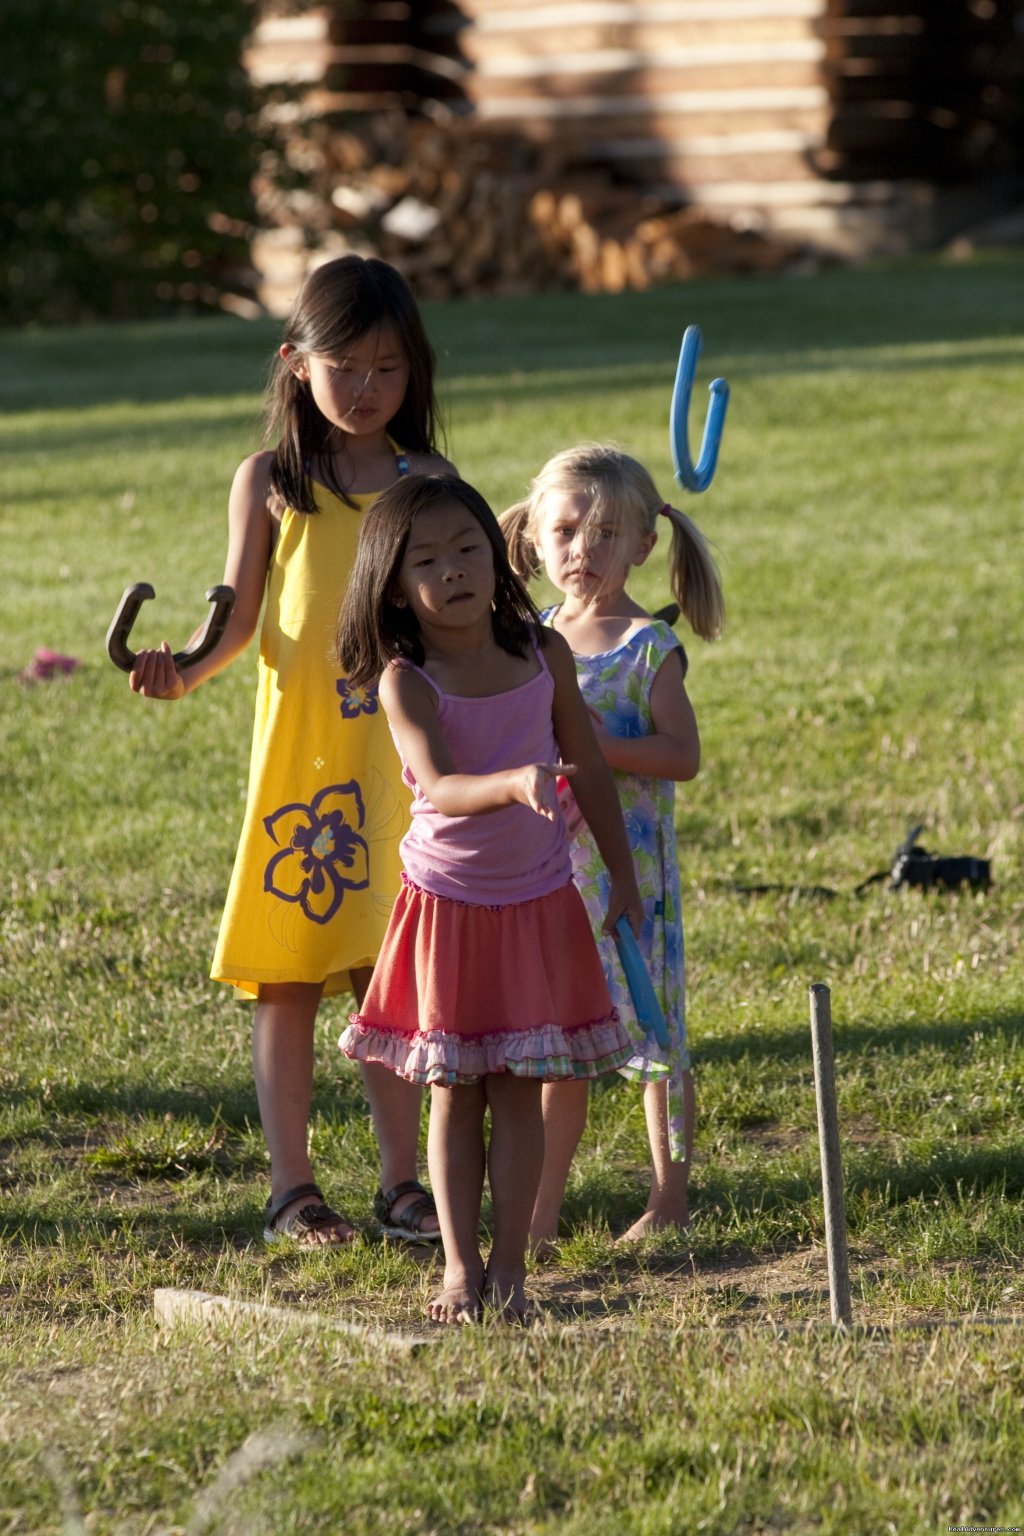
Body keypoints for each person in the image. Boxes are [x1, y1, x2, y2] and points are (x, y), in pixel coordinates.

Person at [128, 255, 454, 1247]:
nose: (365, 390)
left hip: (397, 765)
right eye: (344, 366)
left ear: (416, 374)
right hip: (302, 771)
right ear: (294, 363)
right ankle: (291, 1189)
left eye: (388, 369)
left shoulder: (427, 482)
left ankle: (405, 1184)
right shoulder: (271, 483)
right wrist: (182, 670)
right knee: (290, 974)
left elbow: (455, 617)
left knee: (391, 975)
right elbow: (237, 621)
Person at [335, 472, 642, 1323]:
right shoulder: (408, 680)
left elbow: (590, 769)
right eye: (426, 560)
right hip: (450, 913)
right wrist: (511, 781)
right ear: (393, 584)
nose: (454, 571)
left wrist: (619, 874)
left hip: (540, 904)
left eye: (467, 549)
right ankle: (460, 1269)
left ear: (497, 555)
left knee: (520, 1091)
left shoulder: (543, 655)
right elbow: (439, 782)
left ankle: (511, 1269)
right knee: (456, 1093)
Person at [500, 443, 724, 1249]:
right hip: (550, 875)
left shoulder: (644, 649)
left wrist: (603, 746)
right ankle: (540, 1215)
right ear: (533, 539)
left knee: (656, 1044)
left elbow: (683, 756)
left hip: (627, 880)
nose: (581, 553)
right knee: (560, 1051)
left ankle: (669, 1197)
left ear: (642, 545)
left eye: (603, 536)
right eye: (564, 534)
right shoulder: (530, 638)